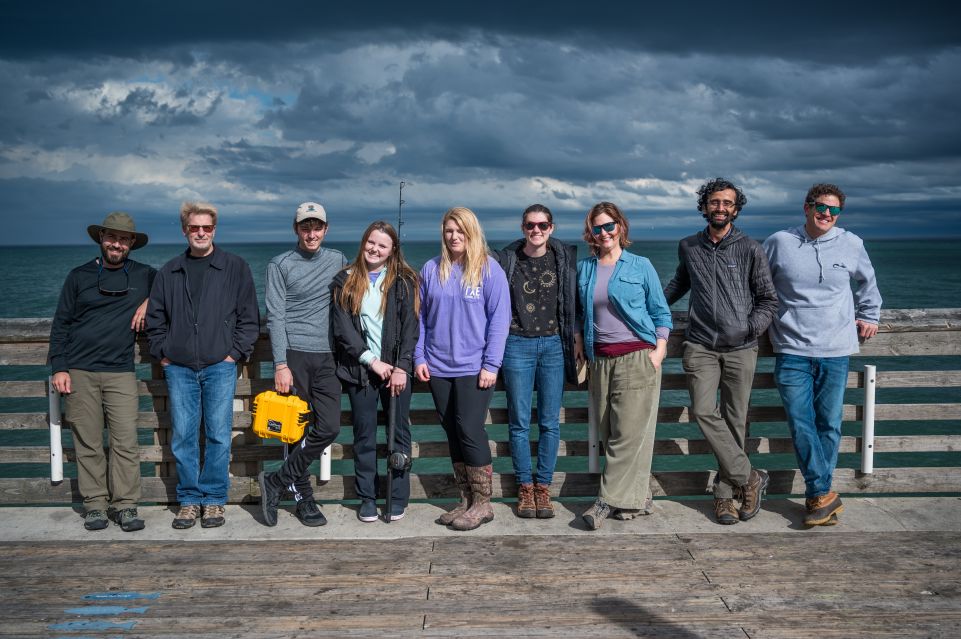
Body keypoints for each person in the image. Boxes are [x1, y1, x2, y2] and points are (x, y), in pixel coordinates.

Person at [763, 183, 881, 526]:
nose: (826, 213)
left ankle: (819, 496)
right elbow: (758, 286)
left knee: (829, 423)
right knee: (801, 423)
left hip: (836, 349)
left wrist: (870, 314)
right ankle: (821, 493)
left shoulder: (852, 243)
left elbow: (868, 284)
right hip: (791, 348)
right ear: (806, 207)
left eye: (833, 209)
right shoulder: (779, 242)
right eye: (820, 207)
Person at [663, 178, 778, 525]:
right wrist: (648, 308)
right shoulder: (689, 246)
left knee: (735, 421)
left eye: (727, 203)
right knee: (701, 411)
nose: (720, 208)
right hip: (700, 344)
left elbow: (768, 299)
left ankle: (725, 495)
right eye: (714, 202)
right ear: (704, 207)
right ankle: (751, 477)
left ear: (736, 209)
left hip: (741, 348)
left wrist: (749, 328)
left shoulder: (751, 249)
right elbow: (680, 283)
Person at [146, 202, 260, 530]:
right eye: (194, 227)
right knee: (182, 435)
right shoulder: (170, 271)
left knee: (219, 435)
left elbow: (248, 318)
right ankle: (189, 500)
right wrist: (163, 353)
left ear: (214, 230)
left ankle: (212, 500)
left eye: (206, 228)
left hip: (219, 365)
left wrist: (233, 353)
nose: (200, 233)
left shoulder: (235, 267)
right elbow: (156, 319)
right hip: (178, 367)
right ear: (185, 230)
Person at [48, 212, 155, 532]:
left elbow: (176, 290)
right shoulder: (78, 276)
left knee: (125, 441)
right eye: (111, 237)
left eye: (123, 239)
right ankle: (95, 505)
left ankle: (126, 506)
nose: (116, 243)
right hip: (79, 371)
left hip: (121, 371)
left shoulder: (147, 275)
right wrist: (59, 366)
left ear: (132, 244)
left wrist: (150, 301)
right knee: (88, 441)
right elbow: (60, 325)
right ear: (101, 239)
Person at [576, 202, 672, 530]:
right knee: (609, 433)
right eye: (597, 228)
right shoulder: (585, 268)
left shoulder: (640, 265)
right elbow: (579, 312)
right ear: (590, 232)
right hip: (599, 360)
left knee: (627, 436)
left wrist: (659, 351)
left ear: (621, 227)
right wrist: (578, 338)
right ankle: (635, 499)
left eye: (609, 226)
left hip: (636, 357)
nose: (603, 233)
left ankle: (604, 502)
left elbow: (661, 312)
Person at [415, 207, 510, 531]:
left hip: (474, 366)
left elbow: (499, 322)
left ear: (472, 233)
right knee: (452, 430)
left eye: (460, 231)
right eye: (448, 231)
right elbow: (421, 320)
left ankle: (483, 503)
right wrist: (419, 357)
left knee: (470, 429)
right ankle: (465, 499)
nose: (454, 236)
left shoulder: (489, 270)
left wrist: (491, 364)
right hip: (438, 366)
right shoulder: (431, 269)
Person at [258, 202, 347, 527]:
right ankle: (304, 500)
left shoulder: (338, 259)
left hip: (327, 357)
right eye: (305, 227)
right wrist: (280, 364)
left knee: (330, 426)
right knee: (293, 432)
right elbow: (275, 316)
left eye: (317, 227)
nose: (312, 233)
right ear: (296, 229)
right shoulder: (279, 264)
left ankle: (276, 480)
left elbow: (360, 289)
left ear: (326, 229)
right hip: (294, 356)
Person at [494, 204, 579, 519]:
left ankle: (543, 488)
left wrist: (578, 336)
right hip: (516, 344)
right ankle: (524, 488)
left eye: (542, 225)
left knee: (549, 422)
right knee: (518, 422)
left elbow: (576, 303)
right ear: (522, 227)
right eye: (531, 225)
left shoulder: (565, 257)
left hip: (555, 345)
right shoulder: (507, 258)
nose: (536, 231)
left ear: (552, 228)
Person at [331, 221, 419, 523]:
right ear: (363, 242)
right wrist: (372, 360)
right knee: (364, 436)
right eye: (371, 242)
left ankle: (397, 497)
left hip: (397, 373)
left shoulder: (405, 281)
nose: (375, 249)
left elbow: (411, 328)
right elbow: (343, 330)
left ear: (392, 250)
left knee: (399, 436)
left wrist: (402, 367)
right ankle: (367, 498)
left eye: (382, 245)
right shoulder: (344, 280)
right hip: (361, 372)